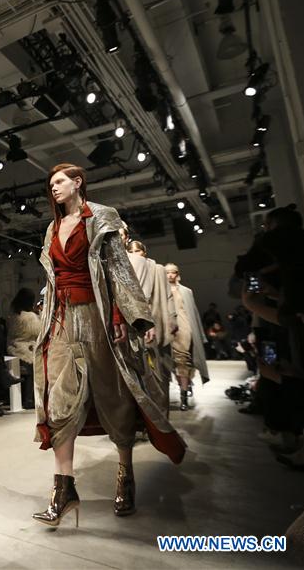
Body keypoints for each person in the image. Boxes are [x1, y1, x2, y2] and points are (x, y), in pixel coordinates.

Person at [33, 163, 186, 528]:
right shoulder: (52, 228)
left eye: (59, 181)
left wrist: (123, 317)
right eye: (51, 184)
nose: (54, 188)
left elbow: (118, 268)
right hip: (61, 320)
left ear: (77, 182)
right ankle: (63, 489)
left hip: (97, 317)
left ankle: (125, 474)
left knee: (114, 396)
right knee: (59, 402)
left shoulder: (102, 217)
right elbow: (53, 279)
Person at [125, 239, 177, 417]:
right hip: (136, 326)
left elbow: (168, 297)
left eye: (138, 251)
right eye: (131, 251)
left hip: (157, 323)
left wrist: (172, 319)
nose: (135, 254)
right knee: (142, 373)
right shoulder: (127, 269)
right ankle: (146, 419)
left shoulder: (158, 269)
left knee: (160, 373)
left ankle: (161, 416)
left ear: (144, 252)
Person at [164, 263, 210, 410]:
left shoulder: (186, 291)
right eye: (167, 272)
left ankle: (183, 398)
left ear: (177, 274)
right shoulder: (160, 290)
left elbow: (194, 313)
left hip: (184, 329)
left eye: (173, 272)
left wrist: (200, 334)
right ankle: (184, 387)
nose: (170, 275)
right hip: (166, 331)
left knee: (183, 362)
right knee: (171, 363)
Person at [7, 288, 42, 410]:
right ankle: (29, 399)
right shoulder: (30, 317)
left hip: (14, 347)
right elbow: (38, 331)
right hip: (25, 349)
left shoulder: (13, 314)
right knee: (35, 366)